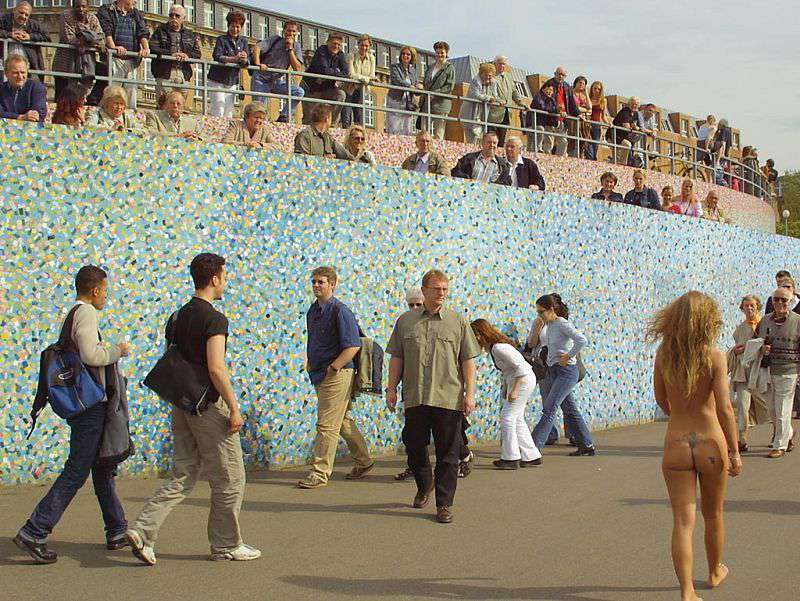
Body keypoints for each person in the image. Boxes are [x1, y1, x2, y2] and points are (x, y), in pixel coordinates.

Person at [126, 253, 259, 564]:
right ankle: (226, 544)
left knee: (183, 472)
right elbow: (216, 368)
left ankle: (143, 530)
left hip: (181, 403)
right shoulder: (214, 319)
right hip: (208, 405)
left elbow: (174, 359)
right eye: (224, 276)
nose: (225, 281)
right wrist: (234, 407)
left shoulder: (177, 316)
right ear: (214, 279)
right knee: (230, 477)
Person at [13, 265, 131, 564]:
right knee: (77, 470)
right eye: (105, 290)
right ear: (95, 289)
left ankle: (117, 529)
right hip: (90, 408)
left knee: (102, 466)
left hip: (86, 406)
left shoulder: (73, 314)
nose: (106, 295)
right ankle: (34, 531)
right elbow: (91, 355)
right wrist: (117, 350)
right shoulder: (86, 312)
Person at [647, 291, 741, 601]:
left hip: (676, 442)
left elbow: (661, 399)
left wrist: (679, 414)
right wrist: (734, 451)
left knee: (682, 521)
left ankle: (687, 591)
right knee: (713, 514)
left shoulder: (663, 355)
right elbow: (725, 408)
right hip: (710, 441)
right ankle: (714, 572)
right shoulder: (714, 356)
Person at [386, 269, 480, 524]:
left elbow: (468, 360)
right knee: (413, 445)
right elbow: (397, 357)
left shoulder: (457, 322)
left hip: (448, 397)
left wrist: (470, 394)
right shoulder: (406, 321)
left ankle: (444, 504)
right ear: (424, 290)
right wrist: (391, 388)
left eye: (445, 289)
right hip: (415, 396)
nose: (441, 293)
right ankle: (424, 483)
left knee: (448, 453)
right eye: (437, 289)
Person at [298, 266, 373, 489]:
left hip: (337, 374)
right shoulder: (313, 311)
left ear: (332, 284)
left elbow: (353, 345)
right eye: (314, 282)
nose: (316, 285)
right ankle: (364, 461)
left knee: (326, 425)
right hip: (319, 373)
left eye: (320, 282)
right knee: (340, 421)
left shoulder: (340, 311)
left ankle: (319, 473)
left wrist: (334, 367)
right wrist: (310, 361)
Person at [471, 319, 541, 469]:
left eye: (474, 335)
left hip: (522, 380)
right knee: (517, 418)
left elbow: (522, 367)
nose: (474, 339)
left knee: (507, 417)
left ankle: (511, 458)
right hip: (519, 381)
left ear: (481, 334)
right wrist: (506, 389)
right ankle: (531, 456)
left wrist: (515, 390)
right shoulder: (495, 348)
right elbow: (508, 370)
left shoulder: (499, 348)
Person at [529, 294, 594, 455]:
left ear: (551, 309)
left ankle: (532, 450)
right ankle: (586, 445)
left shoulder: (562, 323)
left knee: (549, 409)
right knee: (570, 409)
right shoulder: (549, 325)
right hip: (553, 371)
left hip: (567, 372)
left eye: (541, 312)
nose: (539, 315)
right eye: (537, 312)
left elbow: (582, 340)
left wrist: (568, 356)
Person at [759, 286, 800, 458]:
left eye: (784, 299)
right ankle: (788, 433)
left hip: (789, 370)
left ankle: (780, 446)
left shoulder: (797, 321)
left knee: (783, 408)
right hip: (767, 369)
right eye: (776, 299)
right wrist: (761, 349)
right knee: (772, 409)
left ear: (790, 302)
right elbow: (756, 341)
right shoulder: (764, 320)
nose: (780, 303)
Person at [728, 295, 769, 452]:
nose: (749, 308)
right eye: (746, 306)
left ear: (758, 306)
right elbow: (737, 348)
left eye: (752, 305)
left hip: (760, 373)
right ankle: (742, 440)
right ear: (742, 308)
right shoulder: (740, 329)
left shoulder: (765, 325)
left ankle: (783, 434)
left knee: (769, 407)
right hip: (743, 373)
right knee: (742, 408)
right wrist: (736, 350)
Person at [97, 0, 150, 110]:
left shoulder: (135, 13)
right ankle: (106, 113)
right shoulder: (107, 10)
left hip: (132, 60)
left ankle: (129, 117)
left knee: (131, 94)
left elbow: (143, 31)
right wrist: (113, 47)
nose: (135, 1)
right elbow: (106, 30)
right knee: (113, 93)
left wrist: (146, 48)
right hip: (115, 58)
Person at [251, 19, 304, 124]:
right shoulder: (275, 39)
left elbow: (297, 68)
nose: (291, 33)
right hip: (261, 78)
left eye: (294, 31)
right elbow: (257, 48)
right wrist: (258, 64)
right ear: (284, 31)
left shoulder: (296, 46)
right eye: (289, 30)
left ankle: (283, 117)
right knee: (259, 109)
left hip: (276, 80)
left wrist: (290, 49)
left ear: (297, 33)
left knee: (298, 92)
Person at [52, 0, 104, 100]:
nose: (81, 9)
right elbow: (69, 38)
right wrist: (90, 38)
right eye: (78, 6)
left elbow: (101, 37)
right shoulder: (66, 15)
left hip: (86, 63)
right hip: (65, 63)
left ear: (88, 7)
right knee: (62, 97)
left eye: (83, 6)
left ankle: (92, 100)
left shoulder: (93, 18)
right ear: (73, 7)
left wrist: (83, 38)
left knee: (104, 71)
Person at [149, 5, 201, 102]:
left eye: (177, 16)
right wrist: (170, 55)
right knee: (164, 104)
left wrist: (187, 55)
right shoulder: (160, 31)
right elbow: (153, 47)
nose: (173, 18)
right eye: (171, 15)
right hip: (164, 73)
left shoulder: (189, 34)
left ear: (183, 18)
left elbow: (197, 53)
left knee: (180, 105)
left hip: (183, 74)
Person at [206, 11, 248, 119]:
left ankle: (226, 130)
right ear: (228, 26)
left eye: (238, 27)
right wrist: (234, 59)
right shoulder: (221, 39)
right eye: (232, 26)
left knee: (228, 112)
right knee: (218, 108)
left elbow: (247, 62)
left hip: (231, 80)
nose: (235, 29)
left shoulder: (243, 42)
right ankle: (216, 129)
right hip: (217, 79)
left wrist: (244, 59)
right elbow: (217, 56)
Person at [302, 33, 349, 126]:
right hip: (312, 88)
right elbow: (324, 70)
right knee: (309, 118)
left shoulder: (340, 54)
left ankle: (332, 125)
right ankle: (307, 129)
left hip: (327, 88)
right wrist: (337, 72)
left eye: (339, 45)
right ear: (327, 42)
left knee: (340, 95)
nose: (336, 46)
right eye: (334, 43)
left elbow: (346, 73)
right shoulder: (321, 51)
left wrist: (331, 73)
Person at [0, 2, 50, 78]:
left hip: (26, 67)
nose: (23, 16)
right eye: (21, 13)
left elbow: (47, 37)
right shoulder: (3, 20)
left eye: (26, 15)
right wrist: (10, 34)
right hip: (4, 64)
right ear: (14, 10)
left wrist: (30, 37)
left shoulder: (33, 24)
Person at [419, 41, 455, 140]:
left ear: (446, 53)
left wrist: (435, 93)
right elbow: (426, 82)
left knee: (439, 133)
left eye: (442, 53)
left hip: (441, 104)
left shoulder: (449, 68)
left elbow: (449, 86)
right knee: (424, 130)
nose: (440, 55)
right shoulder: (430, 67)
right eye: (437, 52)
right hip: (427, 102)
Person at [490, 55, 528, 145]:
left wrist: (521, 103)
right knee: (492, 138)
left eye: (504, 64)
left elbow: (514, 92)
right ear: (495, 64)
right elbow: (490, 93)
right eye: (500, 64)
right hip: (493, 113)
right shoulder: (491, 76)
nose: (502, 66)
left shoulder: (508, 77)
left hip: (506, 112)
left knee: (502, 139)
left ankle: (499, 152)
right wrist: (497, 101)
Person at [543, 66, 580, 157]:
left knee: (563, 141)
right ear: (555, 74)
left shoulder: (566, 87)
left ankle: (560, 160)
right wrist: (557, 110)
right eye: (559, 74)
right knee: (549, 141)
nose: (561, 77)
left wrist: (578, 114)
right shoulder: (549, 84)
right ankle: (547, 158)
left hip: (562, 119)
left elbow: (571, 102)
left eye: (563, 75)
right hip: (551, 117)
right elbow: (545, 100)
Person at [459, 62, 499, 144]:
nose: (488, 77)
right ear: (481, 74)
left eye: (490, 75)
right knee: (472, 139)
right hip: (470, 113)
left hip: (483, 113)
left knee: (482, 138)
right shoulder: (475, 81)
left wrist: (499, 101)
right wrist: (489, 98)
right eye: (485, 75)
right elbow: (475, 95)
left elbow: (495, 95)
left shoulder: (494, 82)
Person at [341, 34, 375, 129]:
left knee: (359, 117)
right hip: (349, 89)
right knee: (346, 117)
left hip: (362, 90)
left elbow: (372, 75)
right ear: (358, 45)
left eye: (366, 46)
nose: (364, 48)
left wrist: (363, 78)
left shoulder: (372, 58)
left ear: (369, 46)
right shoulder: (351, 56)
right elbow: (351, 75)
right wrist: (366, 79)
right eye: (362, 45)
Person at [0, 54, 47, 123]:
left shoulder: (37, 87)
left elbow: (38, 114)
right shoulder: (1, 89)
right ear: (6, 73)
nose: (20, 76)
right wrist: (20, 117)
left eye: (23, 72)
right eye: (15, 73)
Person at [386, 46, 420, 136]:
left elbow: (416, 84)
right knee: (394, 127)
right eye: (403, 54)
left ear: (412, 57)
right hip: (395, 100)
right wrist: (410, 86)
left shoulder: (413, 71)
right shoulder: (395, 67)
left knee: (407, 128)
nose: (405, 56)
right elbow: (397, 80)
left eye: (408, 54)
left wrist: (418, 88)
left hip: (408, 102)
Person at [528, 80, 559, 153]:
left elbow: (554, 110)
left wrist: (558, 112)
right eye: (548, 89)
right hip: (534, 123)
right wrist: (552, 110)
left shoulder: (552, 100)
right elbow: (542, 107)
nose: (550, 92)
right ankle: (537, 149)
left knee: (550, 131)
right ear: (543, 89)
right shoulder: (538, 97)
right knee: (540, 129)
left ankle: (547, 152)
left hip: (545, 123)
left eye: (551, 90)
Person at [610, 97, 642, 166]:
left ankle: (622, 165)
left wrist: (636, 128)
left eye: (636, 104)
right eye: (632, 104)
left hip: (624, 137)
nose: (634, 106)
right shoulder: (625, 112)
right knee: (626, 146)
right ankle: (620, 165)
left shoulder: (636, 114)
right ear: (629, 104)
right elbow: (626, 126)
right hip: (614, 135)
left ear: (638, 106)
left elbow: (639, 127)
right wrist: (634, 128)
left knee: (626, 149)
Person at [586, 80, 611, 161]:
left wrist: (609, 123)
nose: (597, 90)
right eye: (595, 88)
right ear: (592, 89)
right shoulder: (588, 98)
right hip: (588, 124)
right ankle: (591, 160)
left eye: (599, 89)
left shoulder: (603, 100)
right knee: (588, 145)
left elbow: (603, 116)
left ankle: (593, 160)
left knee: (595, 146)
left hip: (597, 126)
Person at [571, 76, 592, 158]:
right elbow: (574, 107)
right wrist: (585, 110)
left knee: (583, 139)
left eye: (583, 83)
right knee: (574, 138)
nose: (581, 85)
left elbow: (590, 107)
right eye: (580, 82)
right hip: (574, 120)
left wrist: (586, 92)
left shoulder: (583, 96)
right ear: (575, 83)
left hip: (583, 121)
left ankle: (581, 155)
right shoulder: (571, 93)